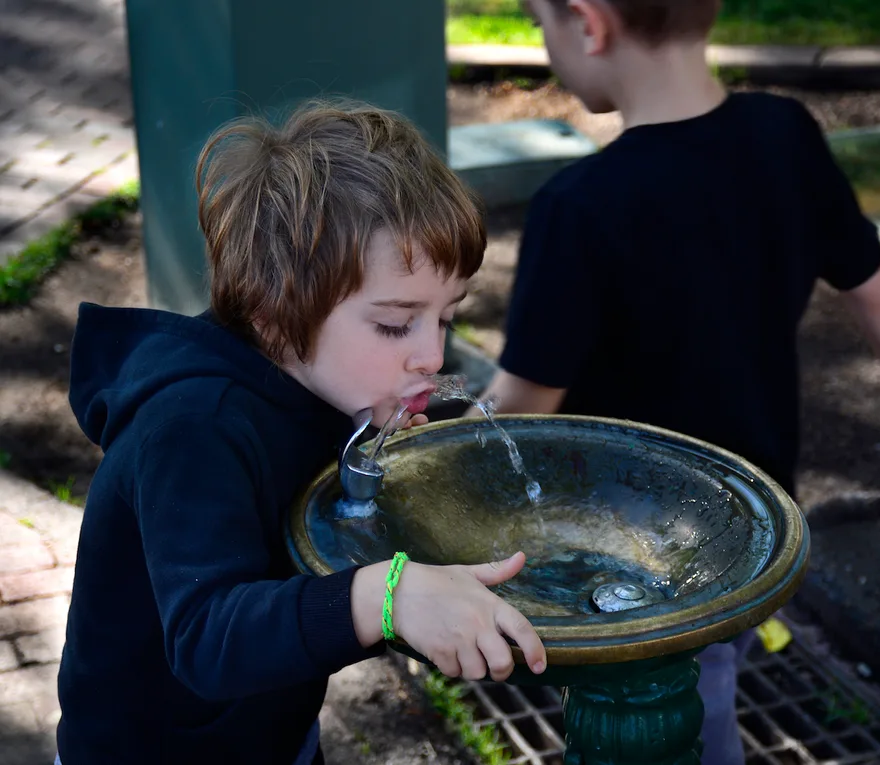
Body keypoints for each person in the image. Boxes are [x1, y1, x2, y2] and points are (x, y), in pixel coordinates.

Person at [472, 1, 880, 763]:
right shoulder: (785, 134)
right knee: (710, 679)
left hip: (635, 560)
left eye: (540, 22)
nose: (544, 40)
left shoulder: (579, 208)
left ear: (589, 23)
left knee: (676, 725)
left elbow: (521, 411)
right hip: (758, 526)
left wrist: (439, 450)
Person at [56, 100, 547, 765]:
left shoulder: (322, 385)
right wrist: (386, 595)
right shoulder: (195, 428)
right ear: (275, 315)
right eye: (396, 324)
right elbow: (209, 635)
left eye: (446, 316)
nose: (431, 355)